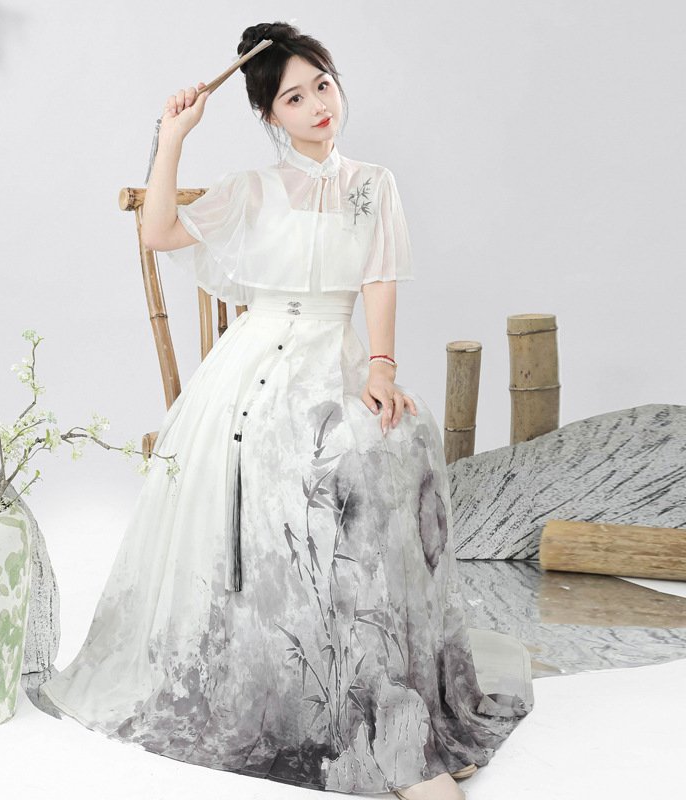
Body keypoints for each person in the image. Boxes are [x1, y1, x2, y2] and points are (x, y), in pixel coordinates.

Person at [38, 21, 534, 799]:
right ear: (270, 115)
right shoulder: (254, 188)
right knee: (333, 462)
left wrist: (380, 366)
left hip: (336, 357)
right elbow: (158, 230)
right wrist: (172, 138)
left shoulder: (373, 183)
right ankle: (370, 721)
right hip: (256, 376)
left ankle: (414, 706)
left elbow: (378, 277)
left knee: (402, 440)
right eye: (294, 98)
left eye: (322, 85)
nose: (316, 105)